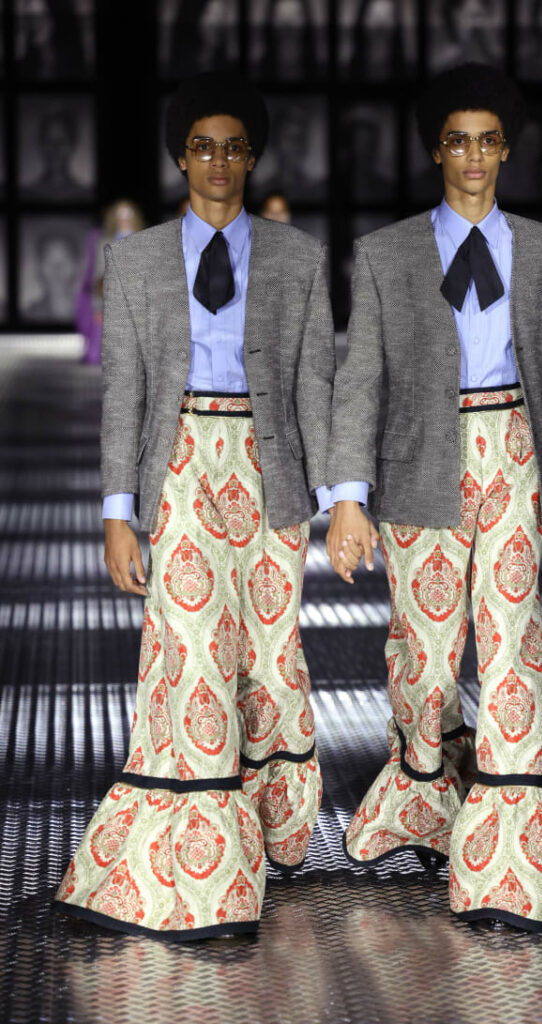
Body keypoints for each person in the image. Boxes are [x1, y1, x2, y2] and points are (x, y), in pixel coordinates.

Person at [325, 62, 542, 932]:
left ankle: (512, 861)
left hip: (513, 453)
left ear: (506, 150)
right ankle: (425, 801)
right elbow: (360, 380)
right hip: (419, 464)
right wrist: (348, 498)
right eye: (458, 141)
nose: (474, 157)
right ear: (436, 150)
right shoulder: (386, 254)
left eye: (489, 141)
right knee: (422, 657)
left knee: (512, 644)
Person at [55, 70, 336, 940]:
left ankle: (271, 833)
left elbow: (314, 382)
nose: (218, 161)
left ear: (252, 157)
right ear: (181, 158)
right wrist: (117, 512)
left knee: (268, 657)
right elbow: (124, 391)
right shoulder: (136, 259)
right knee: (190, 652)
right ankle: (203, 879)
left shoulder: (297, 256)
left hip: (270, 471)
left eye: (233, 147)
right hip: (178, 465)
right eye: (202, 147)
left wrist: (344, 499)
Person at [77, 200, 145, 365]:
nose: (124, 217)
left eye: (128, 213)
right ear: (114, 217)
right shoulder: (105, 242)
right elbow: (98, 277)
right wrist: (97, 307)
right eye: (120, 214)